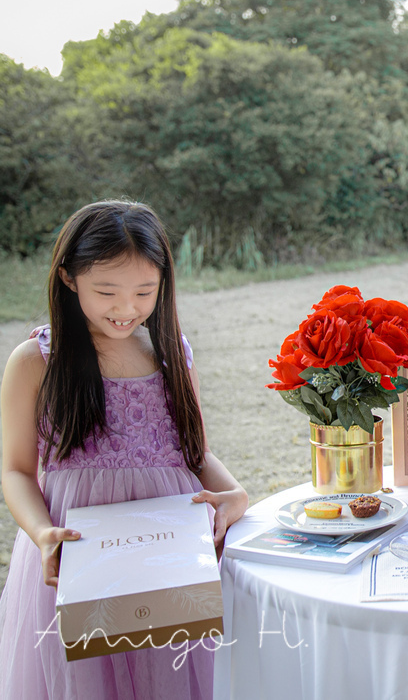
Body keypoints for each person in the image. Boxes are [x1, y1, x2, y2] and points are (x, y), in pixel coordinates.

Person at [0, 201, 249, 699]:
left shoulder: (171, 352)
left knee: (170, 676)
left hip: (169, 554)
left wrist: (235, 493)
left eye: (144, 292)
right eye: (106, 292)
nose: (126, 308)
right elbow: (15, 470)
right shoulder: (36, 361)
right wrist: (43, 533)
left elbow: (193, 450)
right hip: (77, 555)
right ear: (69, 279)